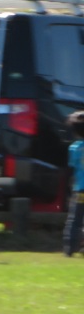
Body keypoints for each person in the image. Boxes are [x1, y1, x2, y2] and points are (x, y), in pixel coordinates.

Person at [63, 110, 84, 257]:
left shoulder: (74, 148)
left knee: (75, 219)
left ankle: (69, 248)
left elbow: (70, 171)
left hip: (80, 189)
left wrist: (68, 190)